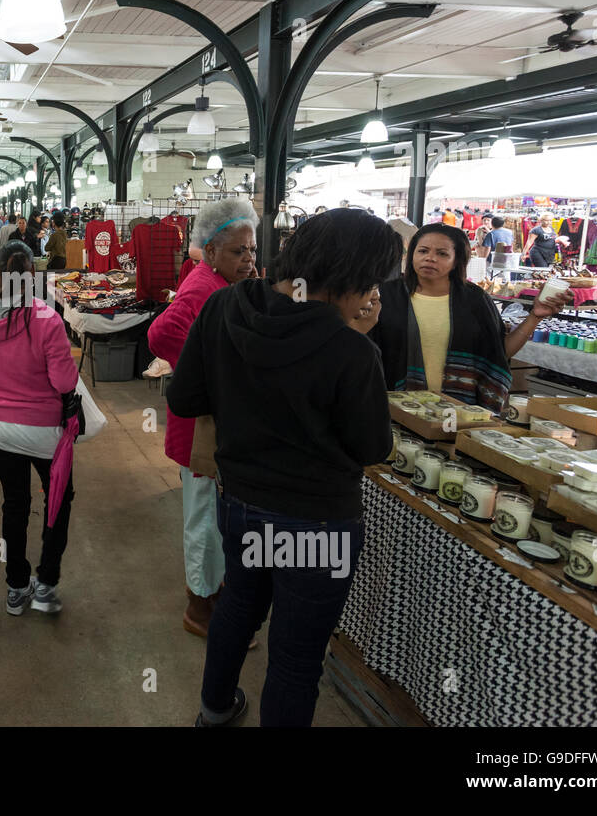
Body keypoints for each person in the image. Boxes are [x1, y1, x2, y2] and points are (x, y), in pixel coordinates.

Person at [168, 209, 402, 728]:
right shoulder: (352, 349)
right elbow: (371, 447)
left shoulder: (225, 305)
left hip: (241, 502)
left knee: (237, 609)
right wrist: (360, 337)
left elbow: (184, 398)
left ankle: (214, 711)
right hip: (319, 522)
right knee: (296, 657)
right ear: (354, 278)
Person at [148, 199, 259, 639]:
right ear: (209, 250)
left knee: (215, 517)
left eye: (251, 250)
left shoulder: (225, 285)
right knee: (203, 521)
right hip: (200, 430)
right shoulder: (201, 288)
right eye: (238, 251)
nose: (248, 259)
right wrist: (203, 372)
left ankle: (215, 592)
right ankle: (200, 605)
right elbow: (160, 334)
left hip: (217, 426)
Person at [0, 240, 78, 616]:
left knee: (15, 503)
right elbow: (63, 382)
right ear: (30, 274)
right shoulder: (46, 317)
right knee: (57, 499)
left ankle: (15, 585)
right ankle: (46, 582)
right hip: (44, 432)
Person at [370, 223, 570, 411]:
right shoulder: (385, 295)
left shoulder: (475, 300)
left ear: (457, 260)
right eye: (423, 251)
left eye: (442, 253)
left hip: (458, 412)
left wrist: (535, 317)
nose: (430, 258)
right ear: (411, 254)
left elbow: (500, 353)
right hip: (393, 408)